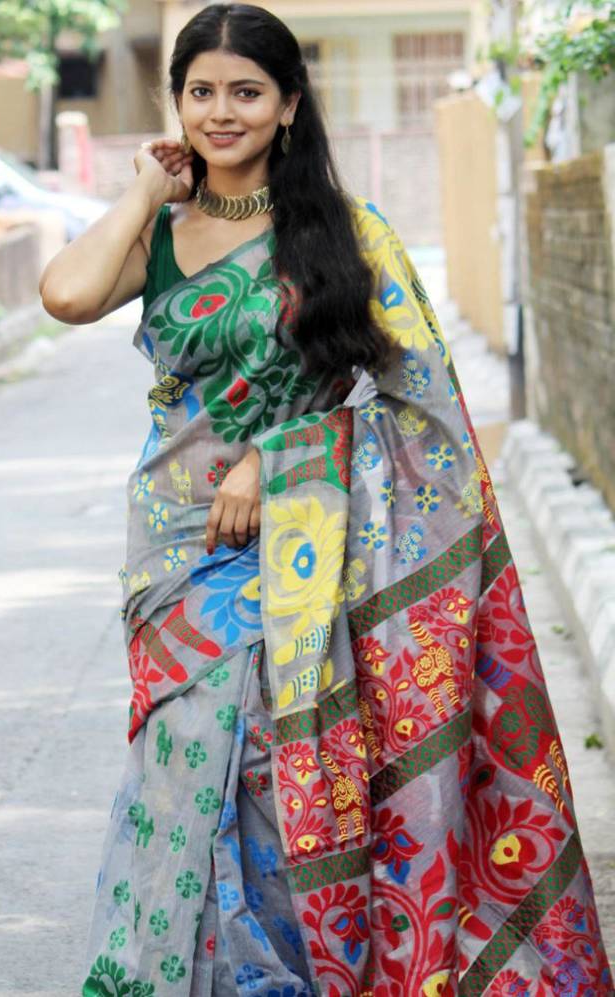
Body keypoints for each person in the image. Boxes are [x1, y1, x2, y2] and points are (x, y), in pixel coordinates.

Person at [39, 5, 613, 994]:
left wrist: (279, 460)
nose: (222, 112)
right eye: (200, 92)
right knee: (182, 766)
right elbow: (66, 294)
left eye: (246, 91)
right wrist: (142, 187)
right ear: (177, 103)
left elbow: (420, 408)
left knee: (285, 778)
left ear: (288, 105)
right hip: (176, 554)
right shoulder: (161, 237)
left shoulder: (347, 237)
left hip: (314, 550)